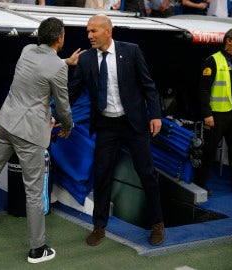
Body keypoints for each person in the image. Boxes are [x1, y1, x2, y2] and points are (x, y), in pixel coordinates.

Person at [0, 17, 83, 264]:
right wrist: (67, 126)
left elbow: (42, 69)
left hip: (5, 124)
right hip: (30, 135)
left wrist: (66, 62)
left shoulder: (27, 51)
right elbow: (63, 107)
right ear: (59, 39)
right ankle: (37, 249)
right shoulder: (57, 67)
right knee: (33, 192)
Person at [68, 14, 164, 247]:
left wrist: (156, 115)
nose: (89, 36)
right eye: (87, 31)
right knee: (101, 176)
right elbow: (72, 91)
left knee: (147, 174)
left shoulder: (131, 51)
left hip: (133, 124)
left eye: (93, 31)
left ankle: (157, 224)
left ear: (107, 31)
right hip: (106, 126)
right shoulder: (86, 59)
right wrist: (57, 114)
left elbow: (148, 86)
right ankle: (99, 227)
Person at [194, 28, 232, 196]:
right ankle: (200, 184)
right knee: (209, 152)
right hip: (217, 115)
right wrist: (207, 114)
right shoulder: (213, 61)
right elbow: (203, 90)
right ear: (229, 41)